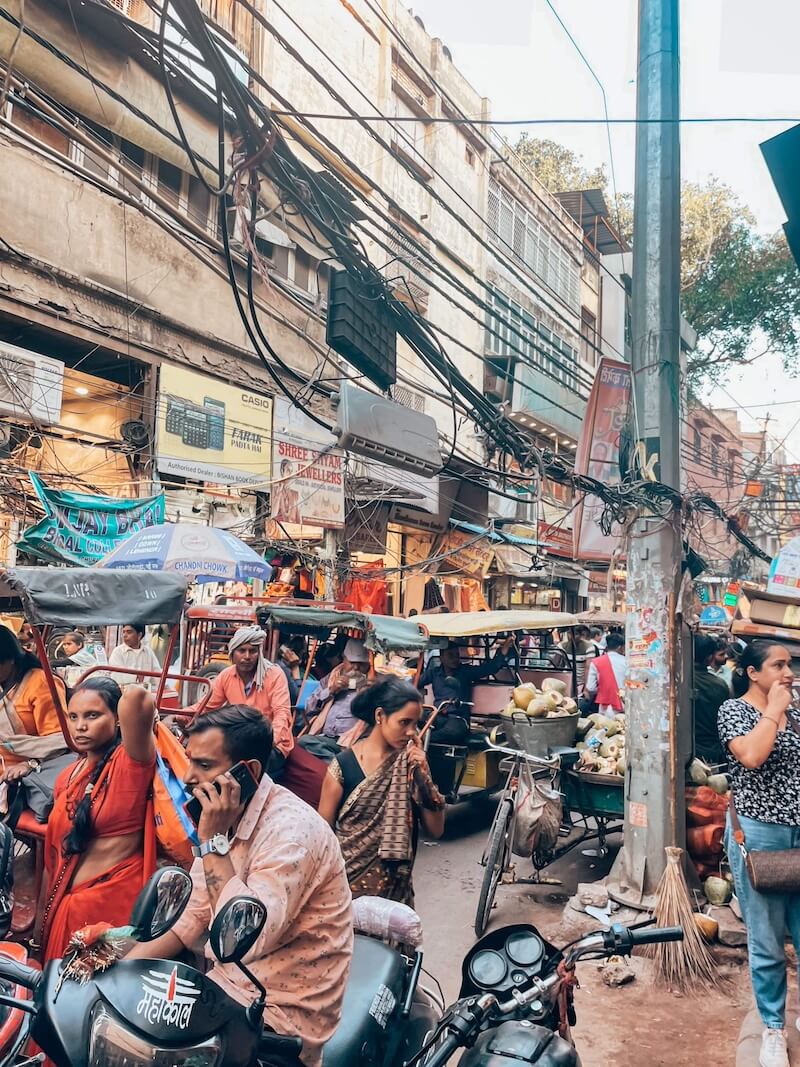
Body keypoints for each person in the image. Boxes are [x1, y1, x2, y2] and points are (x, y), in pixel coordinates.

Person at [128, 704, 353, 1067]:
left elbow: (239, 939)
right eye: (190, 761)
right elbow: (195, 913)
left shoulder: (291, 833)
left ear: (246, 772)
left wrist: (213, 841)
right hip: (222, 990)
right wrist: (118, 971)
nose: (186, 777)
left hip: (279, 1016)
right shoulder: (229, 817)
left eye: (203, 765)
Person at [719, 642, 800, 1067]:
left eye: (791, 665)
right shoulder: (734, 712)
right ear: (753, 672)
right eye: (779, 665)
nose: (788, 672)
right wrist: (776, 709)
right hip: (760, 836)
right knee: (767, 940)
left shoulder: (798, 716)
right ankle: (772, 1029)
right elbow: (752, 756)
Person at [42, 680, 157, 961]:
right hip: (63, 908)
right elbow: (51, 860)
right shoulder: (67, 776)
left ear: (118, 719)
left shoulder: (130, 764)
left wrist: (123, 691)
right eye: (73, 716)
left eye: (92, 715)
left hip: (108, 914)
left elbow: (137, 700)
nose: (80, 726)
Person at [318, 677, 445, 905]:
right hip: (345, 892)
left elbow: (436, 830)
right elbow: (322, 838)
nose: (410, 732)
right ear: (379, 716)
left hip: (395, 894)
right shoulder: (343, 766)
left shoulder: (410, 767)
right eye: (403, 722)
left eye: (415, 724)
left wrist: (424, 776)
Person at [187, 626, 294, 759]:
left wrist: (271, 740)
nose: (247, 656)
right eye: (242, 651)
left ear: (259, 653)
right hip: (241, 742)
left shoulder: (274, 675)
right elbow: (205, 706)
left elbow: (282, 714)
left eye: (253, 651)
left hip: (272, 746)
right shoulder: (226, 675)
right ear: (232, 653)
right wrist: (179, 715)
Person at [0, 625, 68, 773]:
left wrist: (30, 764)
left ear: (10, 659)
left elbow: (57, 741)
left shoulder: (40, 683)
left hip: (22, 775)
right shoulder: (3, 682)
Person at [418, 636, 515, 720]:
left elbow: (490, 668)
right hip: (437, 716)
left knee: (450, 732)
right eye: (451, 656)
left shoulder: (465, 671)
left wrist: (504, 648)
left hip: (457, 719)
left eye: (457, 655)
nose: (455, 659)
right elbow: (415, 683)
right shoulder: (434, 673)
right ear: (441, 657)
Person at [304, 638, 371, 742]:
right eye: (352, 662)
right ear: (344, 659)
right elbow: (309, 708)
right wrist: (330, 690)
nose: (356, 667)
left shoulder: (373, 684)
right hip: (324, 736)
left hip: (353, 740)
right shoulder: (331, 678)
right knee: (305, 742)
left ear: (368, 664)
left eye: (361, 663)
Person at [692, 634, 729, 766]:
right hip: (710, 752)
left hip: (681, 749)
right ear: (709, 658)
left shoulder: (674, 682)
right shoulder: (719, 685)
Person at [583, 633, 627, 716]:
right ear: (620, 647)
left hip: (604, 707)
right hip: (625, 705)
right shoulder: (627, 662)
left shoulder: (596, 662)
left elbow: (590, 688)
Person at [107, 624, 162, 688]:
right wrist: (136, 676)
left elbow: (157, 674)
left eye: (129, 632)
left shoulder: (148, 652)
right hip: (124, 692)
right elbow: (116, 676)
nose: (125, 635)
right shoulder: (118, 651)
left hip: (145, 692)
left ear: (139, 635)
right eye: (123, 632)